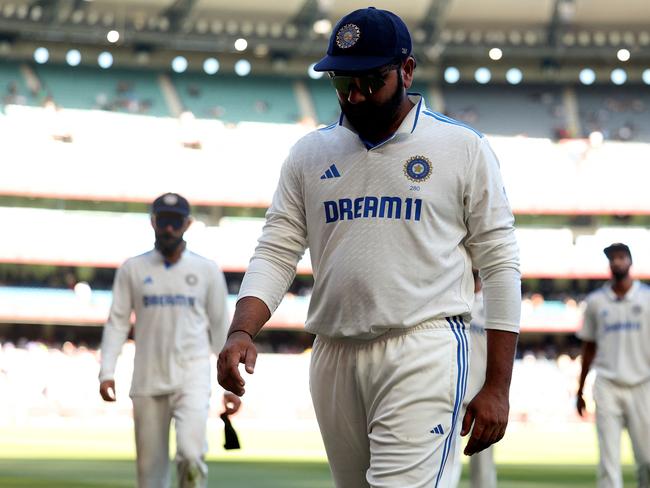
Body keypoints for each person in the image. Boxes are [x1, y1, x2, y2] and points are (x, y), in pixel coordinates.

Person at [218, 7, 521, 487]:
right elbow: (277, 251)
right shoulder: (309, 154)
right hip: (333, 352)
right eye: (342, 83)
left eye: (369, 80)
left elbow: (501, 267)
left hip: (423, 347)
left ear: (406, 71)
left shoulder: (462, 148)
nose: (354, 96)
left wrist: (498, 386)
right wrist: (242, 331)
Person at [99, 192, 240, 488]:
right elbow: (117, 323)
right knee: (150, 476)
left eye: (175, 222)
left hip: (192, 377)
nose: (169, 229)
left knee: (191, 455)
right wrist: (107, 371)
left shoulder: (206, 270)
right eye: (163, 221)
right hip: (148, 380)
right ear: (153, 222)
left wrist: (231, 386)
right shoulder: (133, 269)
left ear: (187, 224)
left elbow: (221, 330)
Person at [576, 243, 650, 488]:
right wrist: (580, 389)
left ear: (630, 261)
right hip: (607, 384)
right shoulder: (596, 301)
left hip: (643, 384)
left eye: (621, 257)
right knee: (608, 462)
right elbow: (589, 347)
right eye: (613, 259)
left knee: (647, 460)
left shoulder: (647, 298)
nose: (617, 262)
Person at [450, 270, 497, 488]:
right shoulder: (451, 300)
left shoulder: (492, 307)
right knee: (445, 462)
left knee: (483, 468)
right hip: (452, 392)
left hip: (481, 394)